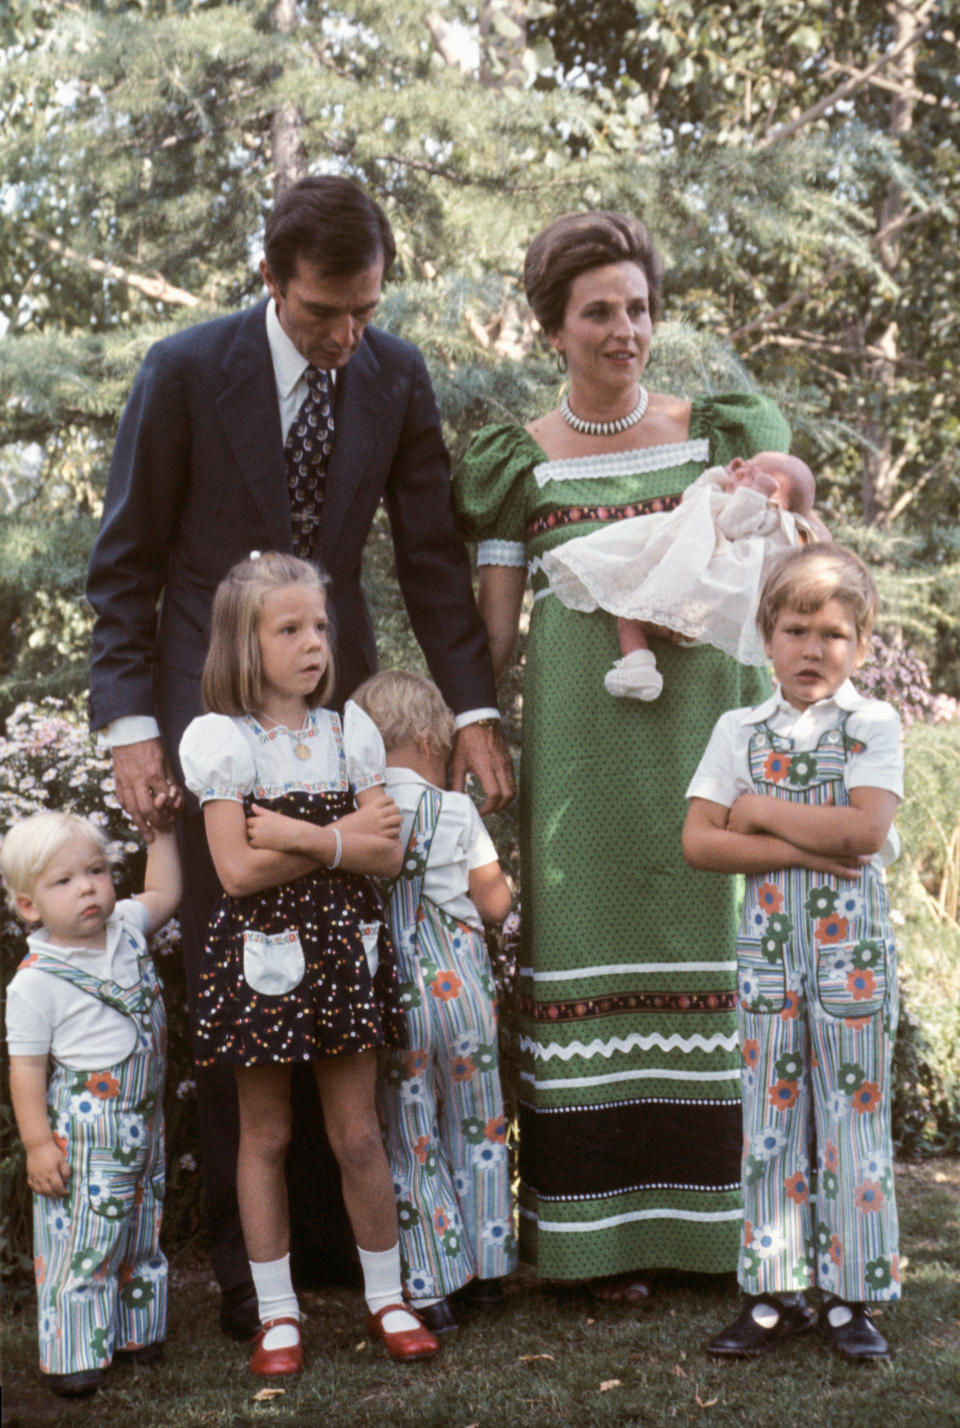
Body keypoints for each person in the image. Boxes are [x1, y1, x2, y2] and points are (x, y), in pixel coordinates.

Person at [85, 174, 514, 1337]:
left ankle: (347, 1245)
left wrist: (470, 711)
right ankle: (248, 1270)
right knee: (237, 973)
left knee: (345, 962)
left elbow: (429, 553)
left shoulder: (394, 373)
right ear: (273, 281)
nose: (347, 336)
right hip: (209, 710)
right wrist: (134, 732)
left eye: (366, 309)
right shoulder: (185, 371)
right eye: (327, 311)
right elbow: (125, 560)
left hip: (339, 714)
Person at [452, 210, 791, 1298]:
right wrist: (472, 725)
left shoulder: (717, 434)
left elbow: (781, 579)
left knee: (715, 954)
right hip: (584, 765)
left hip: (711, 749)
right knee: (586, 963)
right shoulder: (521, 464)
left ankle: (715, 1233)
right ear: (554, 328)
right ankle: (598, 1245)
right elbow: (495, 624)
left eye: (639, 308)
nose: (625, 330)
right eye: (599, 311)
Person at [178, 552, 441, 1372]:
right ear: (243, 644)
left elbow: (386, 854)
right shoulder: (223, 742)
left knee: (358, 1133)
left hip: (343, 956)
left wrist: (296, 834)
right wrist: (342, 843)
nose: (313, 643)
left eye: (319, 626)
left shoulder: (347, 732)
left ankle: (387, 1299)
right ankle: (278, 1313)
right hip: (261, 962)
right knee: (266, 1134)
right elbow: (235, 870)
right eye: (288, 628)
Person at [683, 545, 901, 1363]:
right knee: (769, 1121)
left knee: (853, 1118)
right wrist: (806, 848)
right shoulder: (738, 729)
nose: (814, 650)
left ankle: (851, 1299)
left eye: (835, 634)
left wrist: (755, 811)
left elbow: (866, 830)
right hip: (769, 956)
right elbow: (701, 843)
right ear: (767, 637)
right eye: (796, 629)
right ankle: (775, 1293)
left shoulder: (871, 724)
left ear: (862, 643)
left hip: (853, 961)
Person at [351, 670, 517, 1336]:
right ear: (428, 738)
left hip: (394, 992)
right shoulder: (455, 810)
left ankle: (430, 1283)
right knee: (478, 1119)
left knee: (408, 1128)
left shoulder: (358, 813)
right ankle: (488, 1272)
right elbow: (495, 902)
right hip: (463, 991)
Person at [3, 811, 181, 1398]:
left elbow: (164, 891)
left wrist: (160, 836)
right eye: (65, 881)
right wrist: (36, 1144)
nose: (88, 887)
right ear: (29, 906)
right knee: (86, 1237)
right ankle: (74, 1351)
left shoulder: (127, 927)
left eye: (97, 871)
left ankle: (136, 1329)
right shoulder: (37, 980)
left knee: (140, 1226)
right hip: (87, 1127)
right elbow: (27, 1069)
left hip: (144, 1119)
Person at [542, 451, 826, 699]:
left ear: (774, 499)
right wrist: (723, 474)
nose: (740, 473)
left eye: (752, 475)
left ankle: (638, 662)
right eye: (744, 466)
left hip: (693, 600)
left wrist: (754, 494)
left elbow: (732, 523)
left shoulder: (766, 519)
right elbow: (693, 495)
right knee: (628, 618)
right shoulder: (728, 500)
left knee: (630, 615)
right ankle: (639, 666)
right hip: (684, 602)